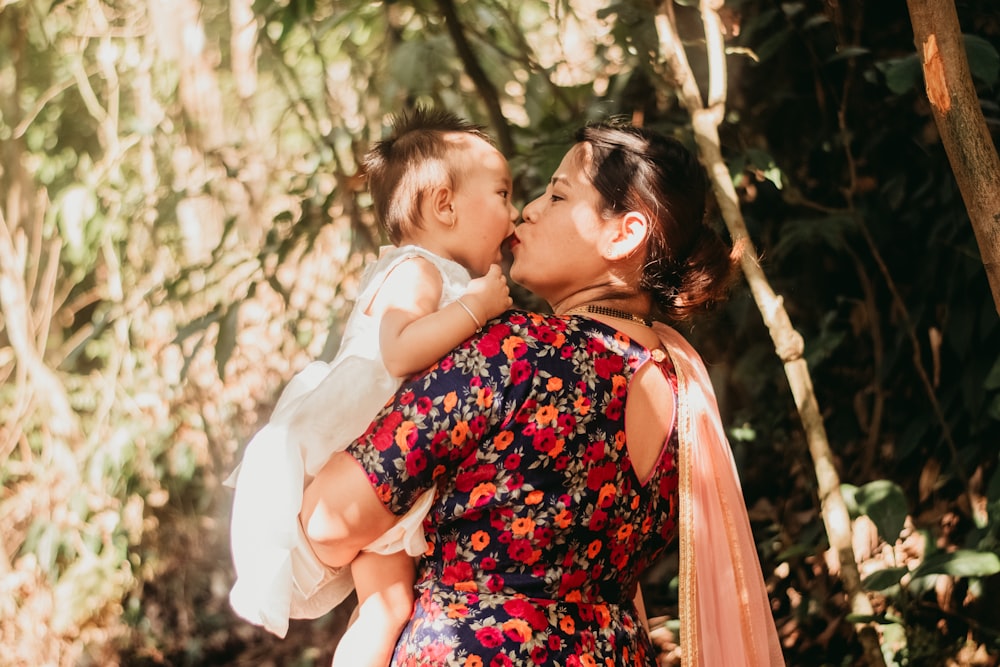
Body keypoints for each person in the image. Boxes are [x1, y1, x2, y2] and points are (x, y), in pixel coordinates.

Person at [299, 120, 785, 666]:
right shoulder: (684, 387)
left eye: (557, 194)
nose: (528, 209)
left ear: (623, 235)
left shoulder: (515, 352)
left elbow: (328, 520)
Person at [226, 108, 518, 667]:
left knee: (387, 610)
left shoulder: (442, 276)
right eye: (502, 194)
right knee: (387, 607)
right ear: (444, 205)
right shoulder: (419, 270)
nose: (511, 215)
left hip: (393, 477)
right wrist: (477, 309)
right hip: (362, 460)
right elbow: (400, 349)